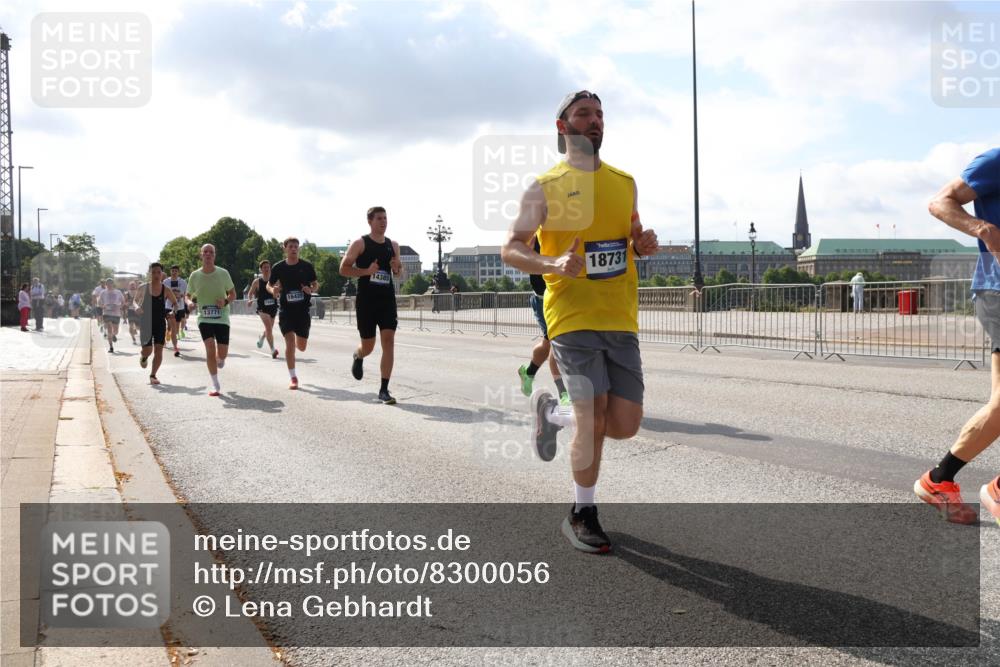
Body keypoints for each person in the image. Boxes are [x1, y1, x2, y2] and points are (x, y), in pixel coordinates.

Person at [501, 90, 659, 553]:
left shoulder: (624, 182)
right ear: (563, 126)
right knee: (592, 419)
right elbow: (511, 247)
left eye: (600, 114)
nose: (595, 121)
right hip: (571, 316)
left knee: (625, 423)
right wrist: (552, 265)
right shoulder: (545, 186)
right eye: (584, 114)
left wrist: (641, 243)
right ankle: (582, 512)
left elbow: (630, 236)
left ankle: (550, 413)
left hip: (620, 316)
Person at [916, 146, 1000, 527]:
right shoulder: (995, 160)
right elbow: (940, 202)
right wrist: (982, 229)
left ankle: (940, 480)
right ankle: (941, 479)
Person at [340, 206, 403, 404]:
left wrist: (396, 268)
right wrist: (366, 271)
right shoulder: (360, 243)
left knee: (389, 341)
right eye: (379, 219)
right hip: (366, 302)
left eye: (385, 218)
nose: (383, 222)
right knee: (368, 346)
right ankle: (358, 355)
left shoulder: (393, 245)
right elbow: (343, 269)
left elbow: (398, 273)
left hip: (386, 301)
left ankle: (384, 389)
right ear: (370, 221)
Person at [518, 237, 570, 408]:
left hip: (565, 296)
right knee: (555, 343)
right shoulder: (536, 230)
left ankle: (529, 372)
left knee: (548, 344)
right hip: (544, 300)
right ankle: (564, 394)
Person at [268, 238, 318, 389]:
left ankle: (298, 340)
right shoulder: (278, 267)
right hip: (286, 311)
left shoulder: (306, 266)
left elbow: (316, 284)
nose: (294, 249)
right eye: (290, 247)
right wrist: (273, 291)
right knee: (289, 343)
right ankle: (293, 377)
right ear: (285, 249)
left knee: (301, 347)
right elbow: (269, 285)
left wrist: (312, 289)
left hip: (303, 311)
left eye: (296, 247)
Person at [187, 244, 236, 397]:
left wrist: (225, 302)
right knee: (209, 348)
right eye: (205, 252)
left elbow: (233, 294)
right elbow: (187, 294)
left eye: (211, 252)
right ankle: (215, 385)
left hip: (221, 318)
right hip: (204, 318)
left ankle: (220, 358)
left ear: (214, 256)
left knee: (222, 354)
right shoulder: (195, 275)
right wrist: (189, 302)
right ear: (201, 255)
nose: (208, 254)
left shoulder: (223, 273)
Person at [135, 263, 181, 385]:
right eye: (153, 272)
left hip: (160, 323)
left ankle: (153, 375)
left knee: (159, 350)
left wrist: (172, 311)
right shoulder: (143, 287)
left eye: (158, 272)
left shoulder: (165, 289)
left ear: (162, 274)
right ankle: (144, 357)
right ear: (149, 273)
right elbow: (134, 301)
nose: (156, 275)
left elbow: (175, 304)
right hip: (146, 323)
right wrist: (136, 307)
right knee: (148, 350)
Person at [245, 260, 280, 359]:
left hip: (273, 307)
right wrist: (250, 299)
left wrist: (278, 293)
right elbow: (250, 293)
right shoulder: (257, 281)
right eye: (264, 267)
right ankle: (273, 350)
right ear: (261, 269)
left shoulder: (275, 280)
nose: (266, 269)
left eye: (268, 267)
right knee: (269, 328)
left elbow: (278, 292)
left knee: (269, 329)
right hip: (262, 308)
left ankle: (262, 337)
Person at [165, 265, 188, 357]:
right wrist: (171, 295)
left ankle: (170, 334)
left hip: (180, 307)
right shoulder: (166, 281)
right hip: (169, 306)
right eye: (172, 271)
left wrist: (178, 295)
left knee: (176, 328)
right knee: (171, 326)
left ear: (178, 272)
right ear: (170, 271)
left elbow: (183, 294)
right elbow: (165, 294)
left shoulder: (182, 282)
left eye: (176, 271)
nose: (174, 272)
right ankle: (175, 348)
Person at [99, 280, 125, 353]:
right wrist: (102, 306)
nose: (109, 285)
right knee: (109, 329)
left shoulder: (118, 292)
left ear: (113, 284)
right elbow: (99, 302)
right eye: (107, 283)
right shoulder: (103, 292)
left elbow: (123, 302)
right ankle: (111, 347)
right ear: (106, 284)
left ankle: (113, 335)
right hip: (106, 313)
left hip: (116, 313)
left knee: (115, 331)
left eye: (110, 283)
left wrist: (119, 306)